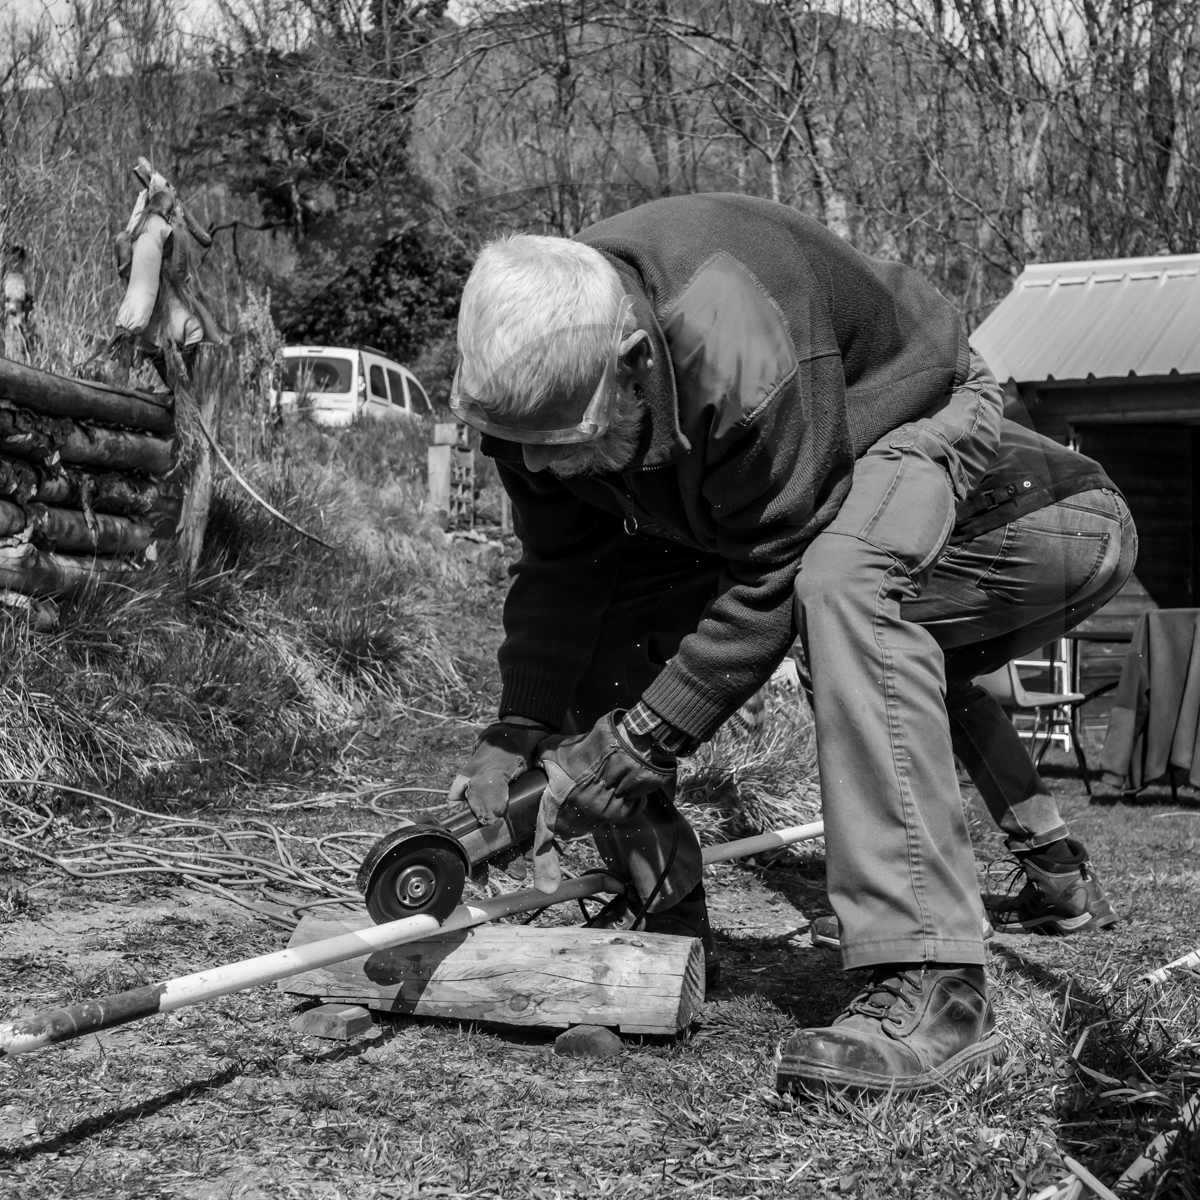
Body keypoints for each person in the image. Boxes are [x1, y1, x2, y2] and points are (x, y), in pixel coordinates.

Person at [445, 194, 1136, 1095]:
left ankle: (930, 983)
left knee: (844, 582)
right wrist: (520, 726)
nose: (536, 471)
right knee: (603, 635)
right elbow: (565, 569)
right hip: (749, 460)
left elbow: (776, 565)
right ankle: (661, 906)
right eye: (516, 449)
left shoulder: (734, 333)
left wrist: (644, 742)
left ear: (632, 362)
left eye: (561, 445)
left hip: (906, 406)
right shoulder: (536, 387)